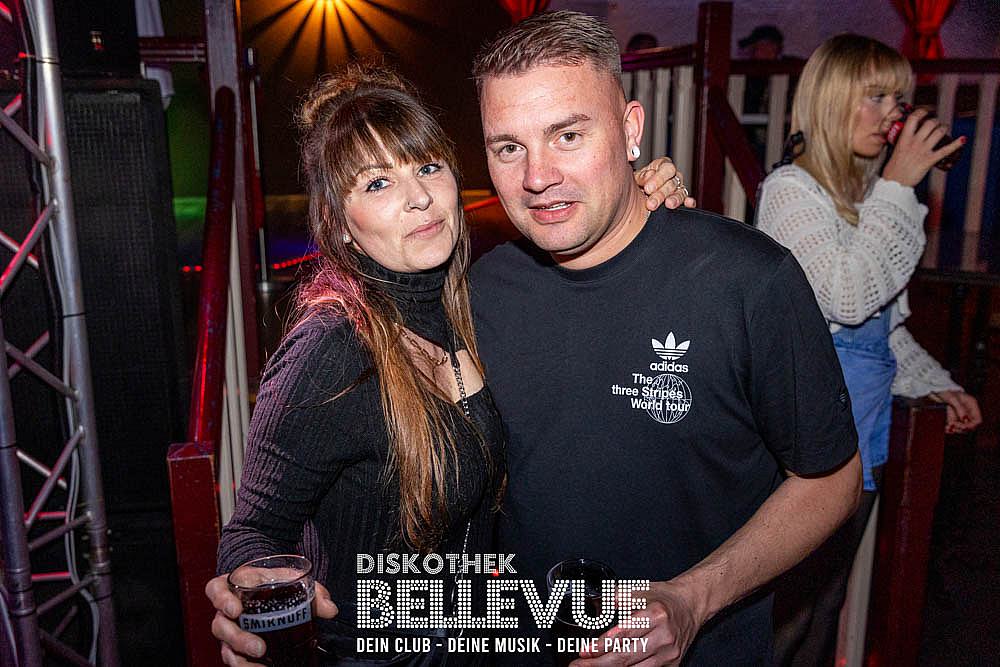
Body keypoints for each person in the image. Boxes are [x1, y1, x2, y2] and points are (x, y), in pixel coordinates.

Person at [203, 63, 692, 666]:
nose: (419, 198)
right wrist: (252, 593)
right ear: (340, 225)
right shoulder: (331, 349)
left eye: (428, 167)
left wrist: (634, 196)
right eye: (378, 184)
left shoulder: (472, 306)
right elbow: (253, 529)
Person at [469, 10, 861, 666]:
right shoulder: (481, 290)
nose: (537, 176)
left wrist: (693, 598)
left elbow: (832, 480)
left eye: (568, 135)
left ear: (630, 131)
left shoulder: (747, 280)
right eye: (509, 147)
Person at [755, 34, 982, 666]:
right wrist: (900, 188)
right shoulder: (791, 192)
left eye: (899, 99)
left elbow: (882, 331)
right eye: (876, 97)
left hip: (864, 435)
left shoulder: (864, 199)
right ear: (830, 101)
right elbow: (847, 298)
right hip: (807, 445)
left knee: (824, 608)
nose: (893, 115)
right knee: (786, 617)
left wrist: (935, 381)